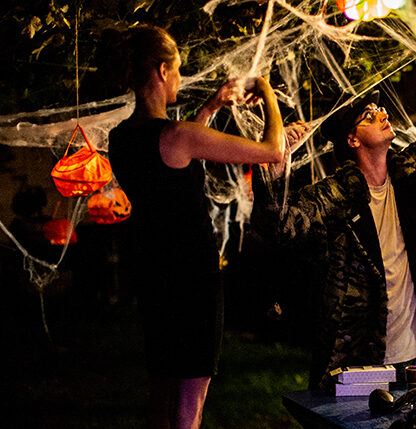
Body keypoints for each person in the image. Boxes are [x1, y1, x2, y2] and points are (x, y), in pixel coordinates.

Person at [252, 19, 416, 387]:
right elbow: (280, 223)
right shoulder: (336, 197)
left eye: (380, 111)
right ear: (352, 140)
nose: (382, 114)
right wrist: (277, 157)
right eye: (369, 116)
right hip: (365, 367)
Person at [105, 25, 306, 429]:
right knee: (190, 402)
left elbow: (175, 160)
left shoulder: (122, 137)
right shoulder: (178, 134)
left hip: (154, 274)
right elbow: (270, 150)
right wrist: (266, 90)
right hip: (192, 278)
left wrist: (212, 107)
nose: (180, 78)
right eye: (177, 70)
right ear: (163, 71)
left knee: (162, 390)